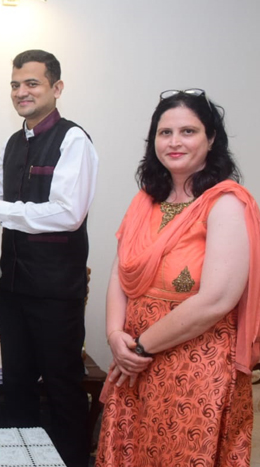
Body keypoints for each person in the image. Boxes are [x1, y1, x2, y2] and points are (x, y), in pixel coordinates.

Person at [95, 89, 260, 466]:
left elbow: (216, 299)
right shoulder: (145, 201)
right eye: (165, 132)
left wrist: (140, 347)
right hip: (133, 364)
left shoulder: (226, 204)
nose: (174, 142)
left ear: (211, 138)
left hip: (196, 367)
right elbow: (120, 272)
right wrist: (115, 336)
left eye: (188, 131)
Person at [0, 49, 98, 466]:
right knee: (16, 386)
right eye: (15, 85)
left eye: (32, 83)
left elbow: (67, 214)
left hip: (56, 293)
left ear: (56, 88)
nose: (21, 92)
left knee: (62, 387)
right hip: (14, 288)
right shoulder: (12, 143)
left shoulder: (74, 140)